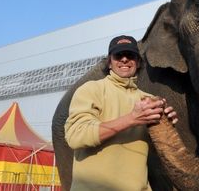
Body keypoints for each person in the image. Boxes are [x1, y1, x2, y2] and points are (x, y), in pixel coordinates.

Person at [64, 35, 178, 191]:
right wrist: (131, 119)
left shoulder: (148, 100)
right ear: (109, 62)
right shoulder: (91, 89)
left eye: (130, 55)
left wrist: (166, 126)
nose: (124, 59)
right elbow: (76, 136)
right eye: (118, 55)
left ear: (138, 63)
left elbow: (155, 153)